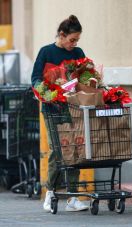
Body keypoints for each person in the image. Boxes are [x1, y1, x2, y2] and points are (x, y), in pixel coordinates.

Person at [31, 15, 89, 212]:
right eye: (72, 40)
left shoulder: (78, 53)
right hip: (53, 108)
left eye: (77, 40)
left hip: (74, 107)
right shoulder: (46, 52)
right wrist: (49, 90)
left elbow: (87, 75)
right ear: (62, 35)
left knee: (75, 149)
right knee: (58, 150)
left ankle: (72, 198)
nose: (74, 44)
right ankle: (51, 193)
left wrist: (91, 81)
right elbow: (35, 79)